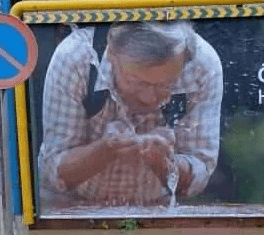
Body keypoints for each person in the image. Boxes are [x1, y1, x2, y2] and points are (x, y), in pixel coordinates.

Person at [38, 20, 223, 207]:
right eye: (137, 81)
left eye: (166, 84)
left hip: (156, 208)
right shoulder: (76, 58)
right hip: (70, 205)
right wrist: (104, 150)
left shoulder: (203, 66)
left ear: (183, 64)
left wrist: (165, 162)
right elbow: (52, 171)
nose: (149, 98)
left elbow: (200, 173)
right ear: (112, 55)